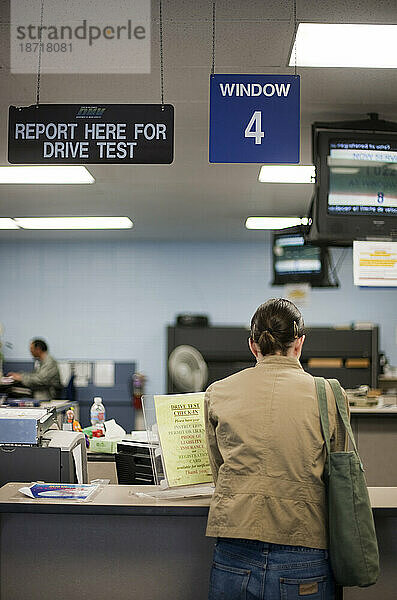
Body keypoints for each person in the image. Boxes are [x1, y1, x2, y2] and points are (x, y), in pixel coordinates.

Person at [204, 298, 347, 600]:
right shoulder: (330, 394)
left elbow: (219, 472)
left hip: (235, 546)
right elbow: (337, 477)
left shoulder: (218, 392)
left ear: (253, 345)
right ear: (299, 343)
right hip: (305, 546)